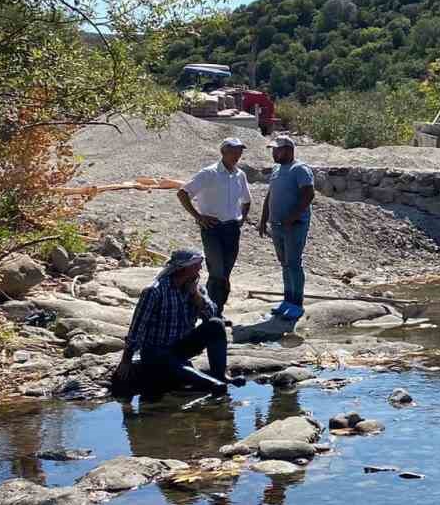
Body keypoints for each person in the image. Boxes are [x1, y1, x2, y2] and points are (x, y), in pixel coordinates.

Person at [111, 248, 229, 401]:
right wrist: (126, 361)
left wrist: (196, 296)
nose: (200, 268)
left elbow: (211, 314)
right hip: (156, 353)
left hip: (180, 347)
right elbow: (137, 329)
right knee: (212, 385)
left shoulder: (196, 288)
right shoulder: (154, 291)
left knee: (216, 324)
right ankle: (213, 384)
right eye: (197, 265)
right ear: (183, 268)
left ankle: (220, 375)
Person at [176, 136, 251, 315]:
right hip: (213, 229)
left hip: (232, 229)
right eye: (233, 151)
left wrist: (242, 219)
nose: (237, 155)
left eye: (239, 151)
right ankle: (210, 312)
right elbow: (183, 193)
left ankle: (217, 310)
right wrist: (198, 216)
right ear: (223, 152)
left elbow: (247, 200)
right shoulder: (209, 173)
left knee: (225, 273)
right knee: (216, 271)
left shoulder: (240, 175)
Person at [257, 134, 313, 320]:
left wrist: (293, 217)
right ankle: (287, 300)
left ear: (288, 150)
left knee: (294, 263)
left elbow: (308, 195)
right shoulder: (277, 169)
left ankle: (297, 303)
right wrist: (264, 219)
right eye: (273, 149)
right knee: (284, 263)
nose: (274, 152)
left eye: (277, 149)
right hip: (277, 225)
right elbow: (270, 195)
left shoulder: (300, 169)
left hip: (294, 226)